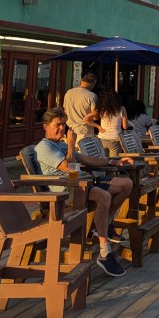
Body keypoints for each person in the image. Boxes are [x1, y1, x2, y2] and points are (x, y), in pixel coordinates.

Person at [34, 107, 133, 277]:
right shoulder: (44, 147)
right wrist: (71, 144)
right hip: (67, 191)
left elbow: (85, 159)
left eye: (63, 124)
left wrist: (112, 162)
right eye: (57, 125)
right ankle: (104, 251)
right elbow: (69, 167)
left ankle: (105, 224)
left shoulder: (60, 144)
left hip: (83, 184)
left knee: (126, 184)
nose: (61, 128)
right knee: (104, 196)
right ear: (45, 127)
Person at [86, 89, 127, 156]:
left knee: (103, 159)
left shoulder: (101, 110)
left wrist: (98, 127)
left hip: (102, 138)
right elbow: (125, 126)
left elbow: (85, 119)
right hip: (116, 138)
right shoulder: (121, 109)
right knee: (114, 160)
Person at [64, 73, 98, 144]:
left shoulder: (68, 93)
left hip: (70, 130)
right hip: (85, 131)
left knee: (72, 150)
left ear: (82, 81)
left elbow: (65, 111)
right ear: (93, 84)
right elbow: (95, 117)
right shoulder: (92, 96)